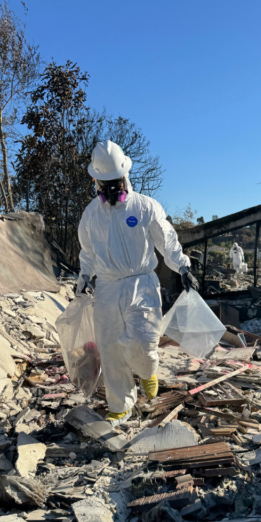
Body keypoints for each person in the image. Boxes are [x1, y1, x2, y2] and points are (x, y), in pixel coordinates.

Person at [76, 141, 200, 426]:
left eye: (114, 181)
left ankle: (147, 371)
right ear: (96, 181)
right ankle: (120, 405)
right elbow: (88, 252)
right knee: (110, 350)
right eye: (104, 183)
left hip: (141, 285)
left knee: (143, 344)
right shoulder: (90, 215)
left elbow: (166, 240)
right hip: (107, 289)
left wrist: (182, 266)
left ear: (125, 177)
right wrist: (84, 276)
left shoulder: (145, 207)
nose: (109, 188)